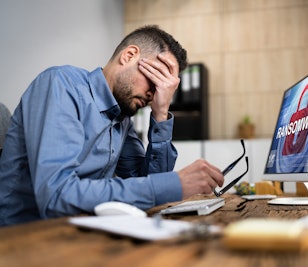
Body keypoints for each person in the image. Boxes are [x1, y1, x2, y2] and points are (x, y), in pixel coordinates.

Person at [0, 25, 224, 226]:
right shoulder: (61, 85)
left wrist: (161, 112)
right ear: (129, 56)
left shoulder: (122, 118)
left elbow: (146, 187)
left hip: (78, 231)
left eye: (166, 87)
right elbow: (57, 198)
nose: (156, 93)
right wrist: (173, 184)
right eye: (156, 79)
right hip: (22, 236)